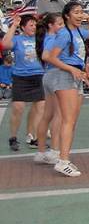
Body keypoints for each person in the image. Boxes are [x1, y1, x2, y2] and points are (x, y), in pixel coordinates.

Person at [40, 1, 89, 177]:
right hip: (64, 75)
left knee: (71, 121)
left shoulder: (79, 31)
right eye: (76, 12)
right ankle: (62, 160)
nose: (80, 15)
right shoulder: (64, 34)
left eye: (82, 11)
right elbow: (51, 58)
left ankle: (64, 157)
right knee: (67, 120)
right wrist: (71, 69)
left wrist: (88, 17)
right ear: (67, 15)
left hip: (75, 75)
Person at [3, 15, 44, 151]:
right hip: (21, 78)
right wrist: (13, 25)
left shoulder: (40, 39)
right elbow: (5, 44)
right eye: (31, 25)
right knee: (18, 108)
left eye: (35, 25)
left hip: (38, 77)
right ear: (23, 27)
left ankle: (33, 137)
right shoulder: (17, 39)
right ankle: (13, 138)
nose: (34, 27)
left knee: (39, 108)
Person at [33, 13, 64, 167]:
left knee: (47, 115)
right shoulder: (53, 38)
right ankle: (55, 150)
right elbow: (48, 57)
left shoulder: (46, 37)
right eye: (59, 23)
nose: (62, 26)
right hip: (56, 76)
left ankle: (40, 151)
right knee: (58, 115)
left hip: (48, 76)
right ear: (51, 25)